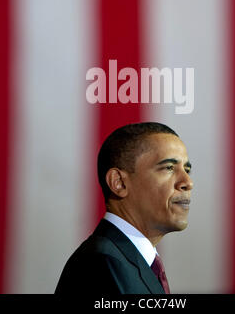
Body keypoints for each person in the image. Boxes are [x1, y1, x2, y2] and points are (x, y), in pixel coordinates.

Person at [55, 122, 193, 295]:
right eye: (169, 168)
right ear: (118, 182)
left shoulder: (125, 260)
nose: (187, 182)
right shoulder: (101, 265)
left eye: (187, 169)